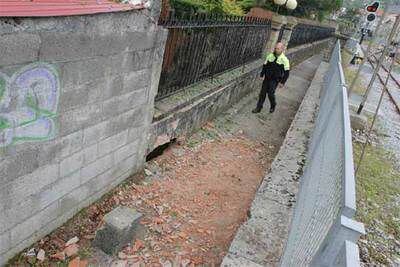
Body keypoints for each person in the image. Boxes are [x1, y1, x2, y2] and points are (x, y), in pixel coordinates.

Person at [252, 42, 290, 114]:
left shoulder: (285, 60)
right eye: (275, 48)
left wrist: (282, 82)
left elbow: (287, 73)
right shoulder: (270, 56)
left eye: (278, 49)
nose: (276, 50)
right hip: (267, 78)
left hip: (275, 80)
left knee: (270, 93)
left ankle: (273, 105)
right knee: (262, 93)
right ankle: (258, 107)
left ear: (282, 49)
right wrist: (262, 75)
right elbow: (265, 66)